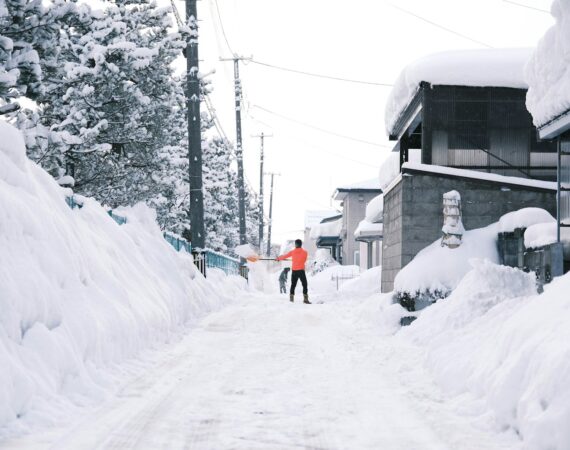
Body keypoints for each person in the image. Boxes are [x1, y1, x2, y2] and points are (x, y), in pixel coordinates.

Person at [276, 239, 310, 304]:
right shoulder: (305, 252)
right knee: (304, 285)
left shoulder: (293, 252)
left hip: (294, 271)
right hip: (301, 271)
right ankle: (305, 299)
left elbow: (284, 256)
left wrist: (278, 258)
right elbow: (304, 260)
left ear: (296, 244)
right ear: (301, 244)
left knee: (293, 285)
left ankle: (291, 299)